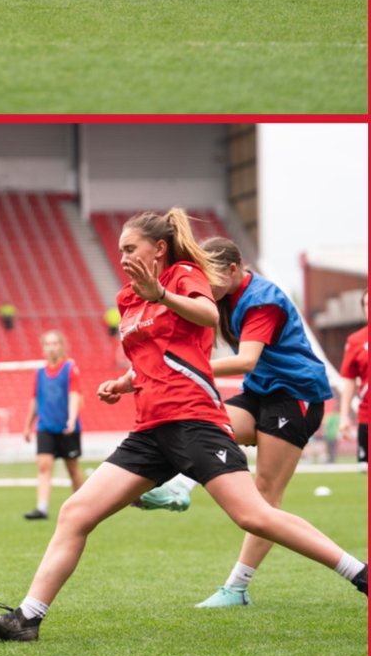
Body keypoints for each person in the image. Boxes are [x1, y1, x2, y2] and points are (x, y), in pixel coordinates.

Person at [0, 209, 367, 643]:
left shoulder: (183, 276)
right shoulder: (127, 299)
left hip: (195, 421)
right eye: (119, 250)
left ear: (158, 248)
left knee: (255, 515)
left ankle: (359, 573)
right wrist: (126, 382)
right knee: (75, 512)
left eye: (130, 248)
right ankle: (27, 619)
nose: (122, 257)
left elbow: (207, 316)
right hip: (149, 429)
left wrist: (162, 294)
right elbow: (156, 359)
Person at [137, 238, 335, 609]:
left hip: (295, 396)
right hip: (260, 391)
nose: (204, 287)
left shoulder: (262, 300)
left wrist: (182, 368)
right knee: (204, 423)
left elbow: (245, 360)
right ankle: (180, 487)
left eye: (209, 278)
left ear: (233, 270)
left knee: (265, 496)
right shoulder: (221, 297)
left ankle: (237, 588)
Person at [21, 330, 85, 520]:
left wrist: (72, 419)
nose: (51, 347)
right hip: (45, 427)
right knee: (43, 466)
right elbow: (35, 399)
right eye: (47, 344)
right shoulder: (39, 372)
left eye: (55, 343)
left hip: (66, 427)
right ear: (43, 348)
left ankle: (82, 506)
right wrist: (27, 425)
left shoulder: (70, 368)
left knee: (72, 469)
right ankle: (42, 508)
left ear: (61, 346)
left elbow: (75, 395)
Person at [338, 290, 368, 467]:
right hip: (367, 418)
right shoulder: (355, 341)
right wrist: (344, 416)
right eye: (366, 304)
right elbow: (349, 380)